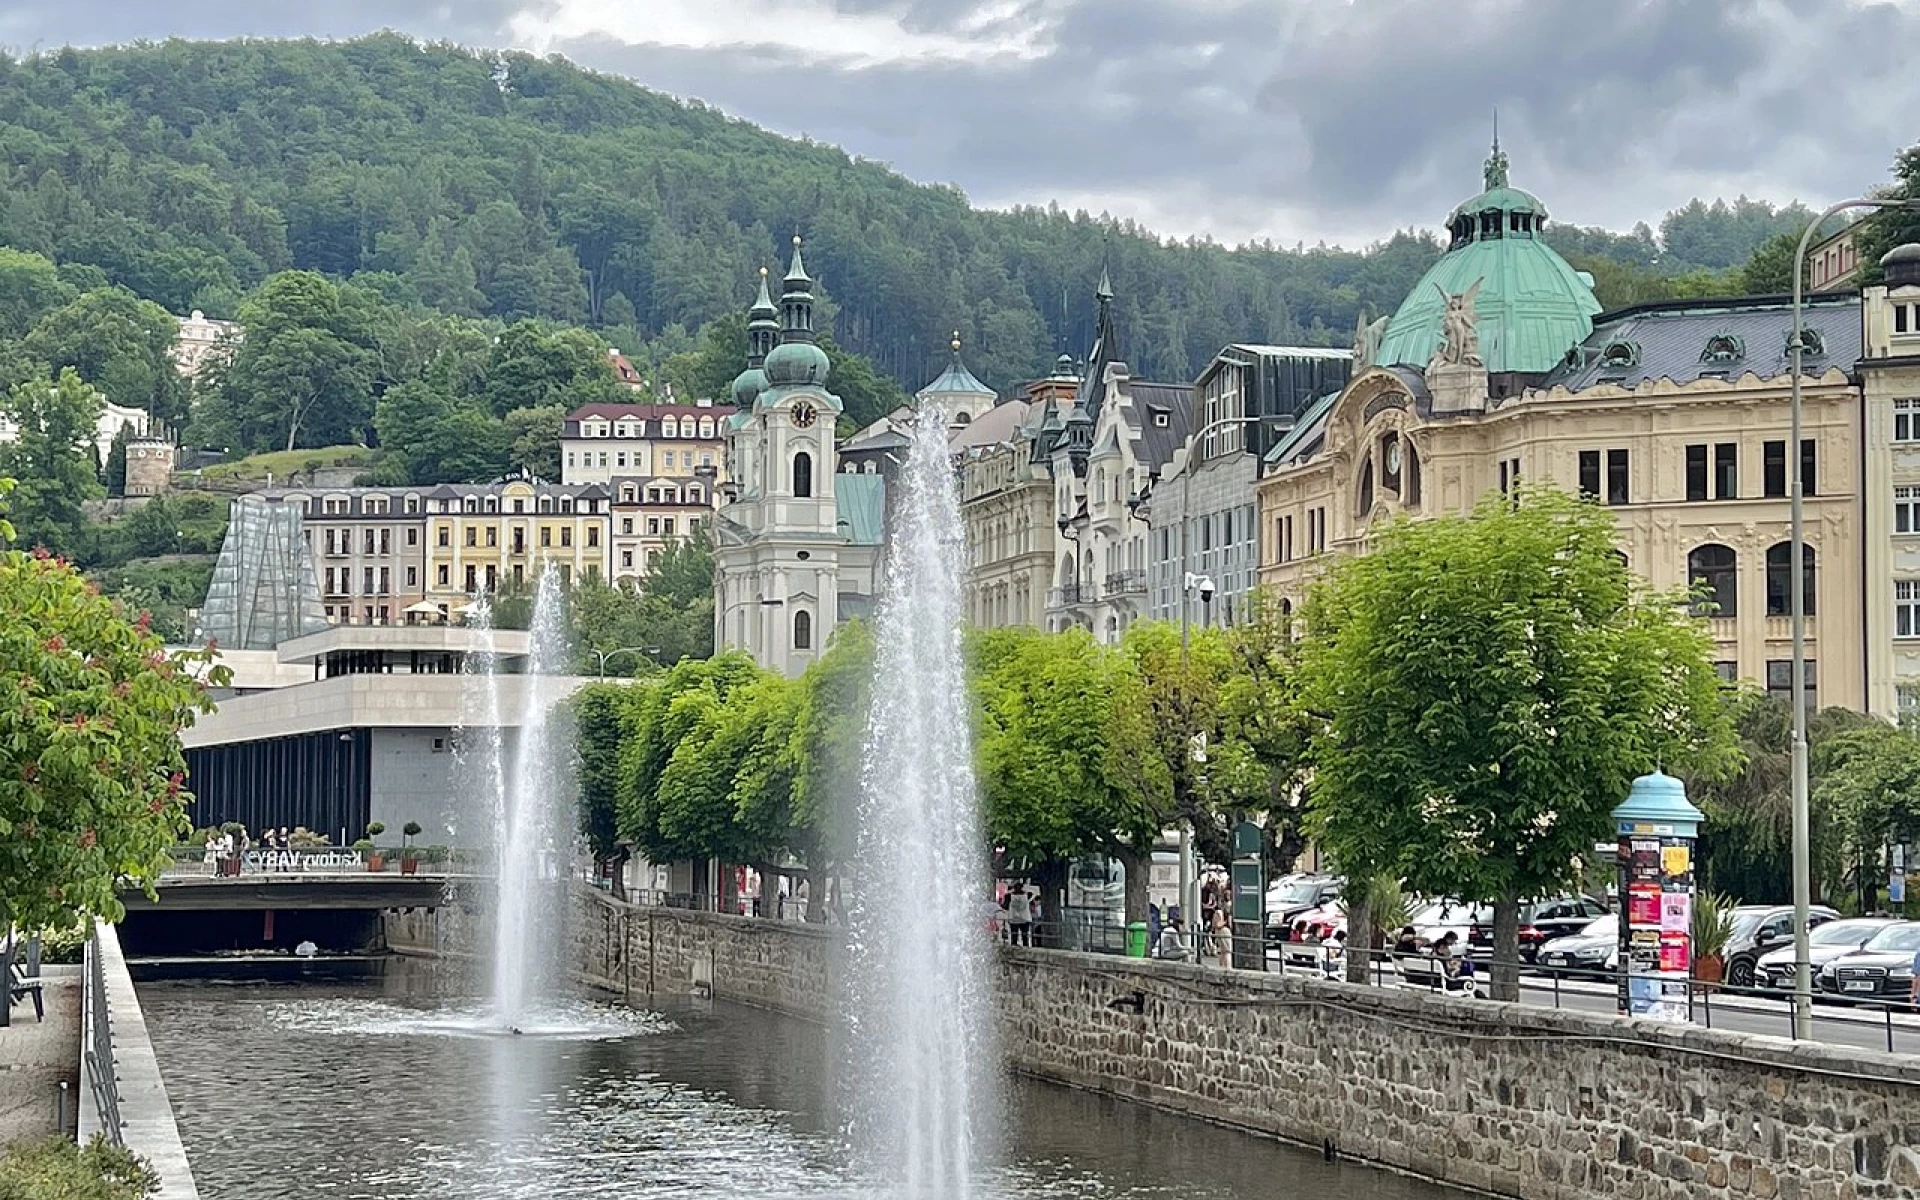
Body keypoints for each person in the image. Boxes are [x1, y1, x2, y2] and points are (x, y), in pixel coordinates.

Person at [1004, 882, 1034, 947]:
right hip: (1024, 917)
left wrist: (1011, 891)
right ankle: (1026, 947)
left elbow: (1005, 906)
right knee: (1025, 936)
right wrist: (1023, 891)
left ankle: (1014, 947)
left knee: (1014, 935)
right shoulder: (1027, 895)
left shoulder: (1009, 896)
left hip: (1013, 917)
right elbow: (1031, 893)